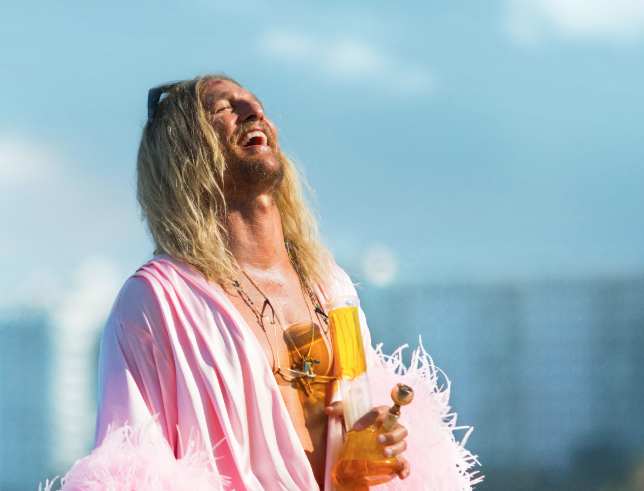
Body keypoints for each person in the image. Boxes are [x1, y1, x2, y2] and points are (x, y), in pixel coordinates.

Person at [90, 75, 470, 491]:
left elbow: (356, 440)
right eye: (224, 108)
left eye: (256, 104)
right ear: (182, 149)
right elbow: (134, 470)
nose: (254, 112)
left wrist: (373, 442)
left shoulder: (330, 283)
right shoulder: (156, 300)